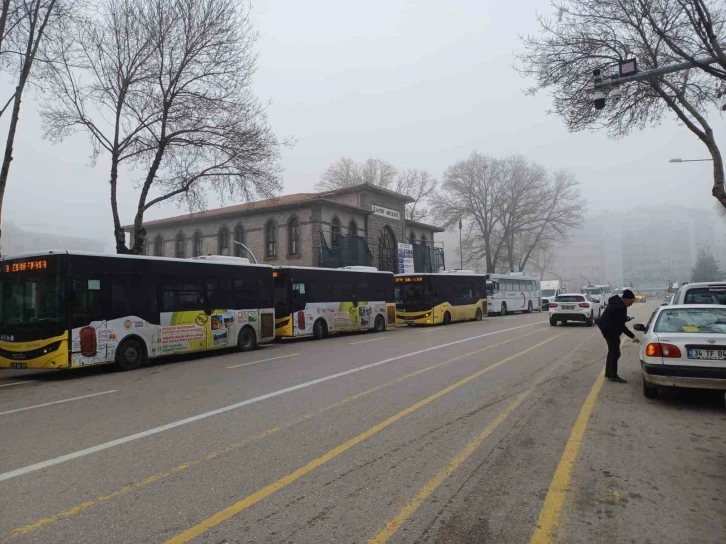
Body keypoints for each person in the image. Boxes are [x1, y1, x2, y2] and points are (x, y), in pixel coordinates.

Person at [597, 289, 639, 383]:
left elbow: (618, 319)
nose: (631, 304)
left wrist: (625, 319)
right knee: (615, 352)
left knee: (612, 351)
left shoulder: (618, 303)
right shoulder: (620, 307)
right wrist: (633, 336)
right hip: (609, 330)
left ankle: (609, 373)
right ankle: (613, 375)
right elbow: (621, 326)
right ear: (626, 299)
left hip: (606, 327)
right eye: (631, 301)